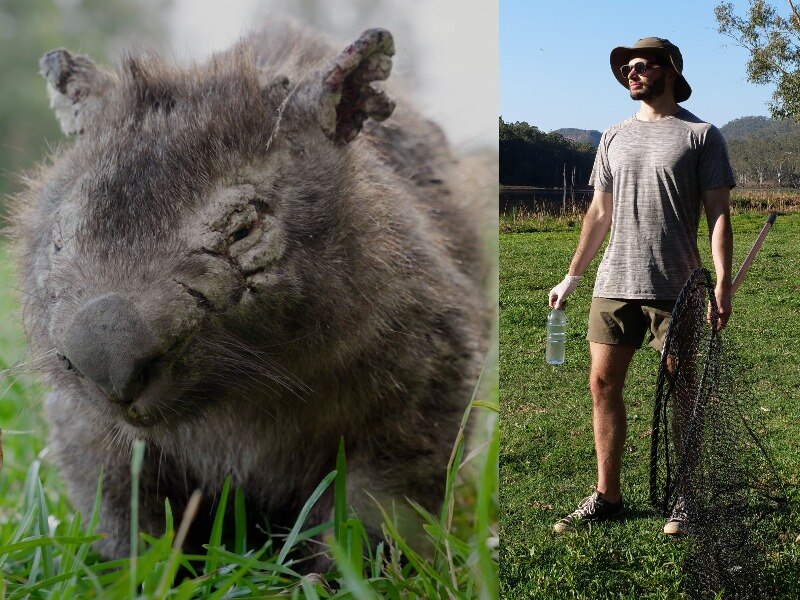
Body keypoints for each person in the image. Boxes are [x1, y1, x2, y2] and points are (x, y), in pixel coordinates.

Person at [548, 37, 735, 535]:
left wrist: (722, 282)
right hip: (615, 281)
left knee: (682, 388)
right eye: (627, 68)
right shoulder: (612, 136)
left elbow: (718, 213)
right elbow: (599, 212)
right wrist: (572, 275)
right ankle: (607, 495)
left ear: (669, 70)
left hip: (677, 286)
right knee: (602, 384)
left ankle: (684, 498)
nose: (632, 73)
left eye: (642, 66)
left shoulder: (701, 135)